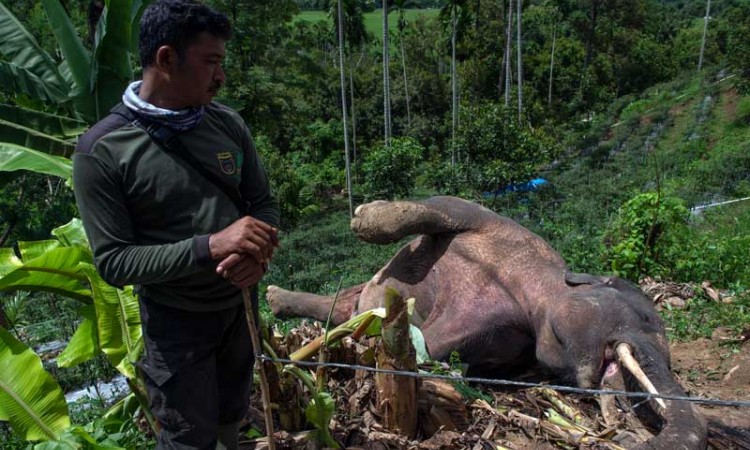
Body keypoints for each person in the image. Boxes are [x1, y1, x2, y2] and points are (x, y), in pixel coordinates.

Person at [72, 1, 280, 448]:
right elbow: (115, 262)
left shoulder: (227, 124)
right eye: (211, 62)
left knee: (232, 421)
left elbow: (262, 204)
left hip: (239, 310)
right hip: (176, 326)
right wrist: (211, 246)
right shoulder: (104, 150)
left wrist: (256, 256)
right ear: (166, 59)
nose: (220, 77)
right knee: (188, 439)